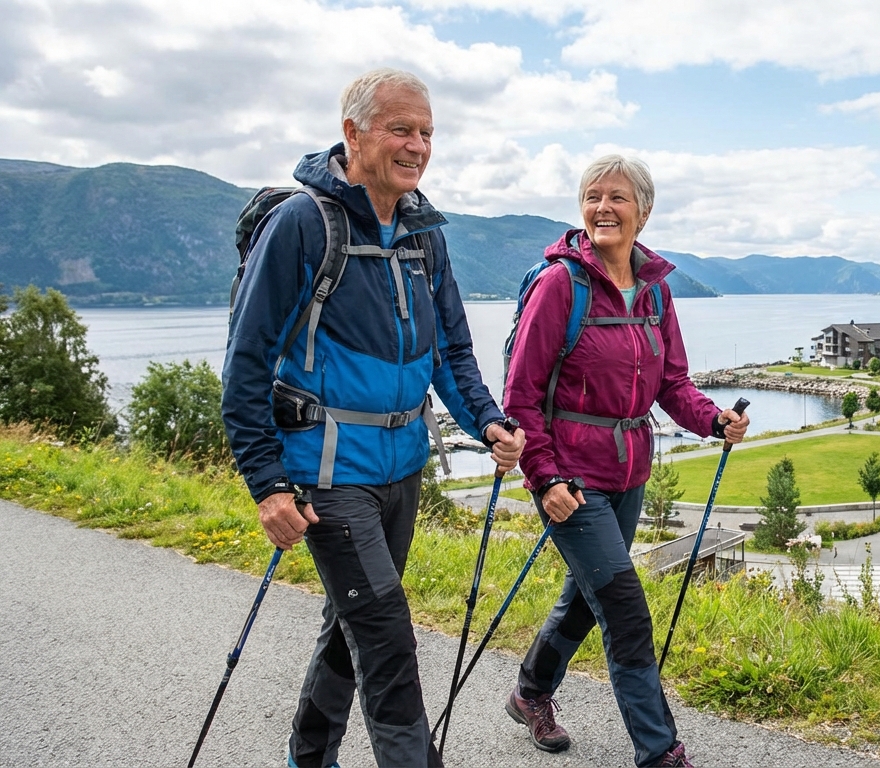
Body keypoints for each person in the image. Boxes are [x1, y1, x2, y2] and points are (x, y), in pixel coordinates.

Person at [222, 68, 524, 768]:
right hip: (328, 476)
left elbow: (447, 349)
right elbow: (245, 361)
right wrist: (266, 484)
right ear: (354, 133)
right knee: (387, 639)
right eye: (400, 129)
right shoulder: (302, 224)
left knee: (348, 628)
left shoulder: (424, 232)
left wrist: (487, 420)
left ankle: (309, 756)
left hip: (402, 469)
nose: (416, 145)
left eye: (426, 132)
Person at [502, 155, 749, 768]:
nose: (602, 209)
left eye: (617, 198)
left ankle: (530, 692)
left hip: (629, 472)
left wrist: (713, 420)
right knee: (625, 609)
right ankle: (660, 752)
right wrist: (544, 476)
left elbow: (674, 384)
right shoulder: (561, 285)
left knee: (588, 598)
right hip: (569, 476)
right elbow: (521, 395)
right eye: (592, 197)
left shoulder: (657, 289)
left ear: (644, 210)